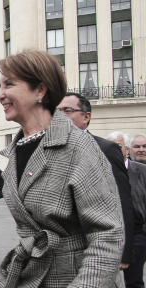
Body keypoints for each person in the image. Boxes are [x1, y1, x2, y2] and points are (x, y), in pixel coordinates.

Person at [0, 50, 124, 287]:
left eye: (9, 84)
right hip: (33, 274)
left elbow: (107, 234)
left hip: (76, 276)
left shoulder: (78, 146)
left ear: (40, 91)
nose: (0, 95)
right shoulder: (15, 150)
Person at [58, 93, 134, 270]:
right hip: (60, 252)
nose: (60, 116)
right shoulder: (50, 151)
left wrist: (123, 251)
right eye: (57, 111)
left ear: (86, 117)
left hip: (96, 248)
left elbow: (122, 201)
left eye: (67, 111)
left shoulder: (106, 149)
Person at [107, 131, 146, 288]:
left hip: (137, 234)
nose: (114, 150)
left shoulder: (142, 170)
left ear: (127, 149)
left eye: (118, 146)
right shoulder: (101, 171)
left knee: (134, 281)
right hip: (110, 235)